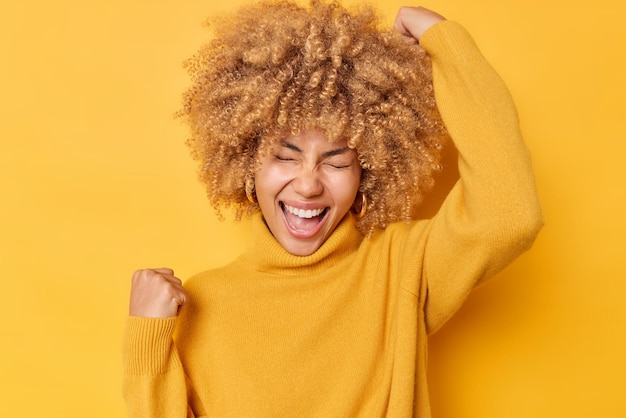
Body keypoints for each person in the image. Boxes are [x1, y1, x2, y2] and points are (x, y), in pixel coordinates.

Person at [123, 1, 543, 416]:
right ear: (246, 163)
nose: (308, 185)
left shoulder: (401, 268)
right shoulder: (203, 303)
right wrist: (147, 341)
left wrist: (444, 42)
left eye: (337, 162)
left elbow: (510, 216)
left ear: (369, 172)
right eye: (285, 157)